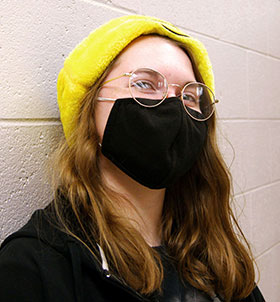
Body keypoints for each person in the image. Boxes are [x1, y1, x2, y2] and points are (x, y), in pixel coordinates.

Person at [0, 15, 265, 302]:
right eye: (145, 84)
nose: (174, 106)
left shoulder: (213, 249)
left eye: (189, 95)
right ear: (88, 107)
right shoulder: (33, 268)